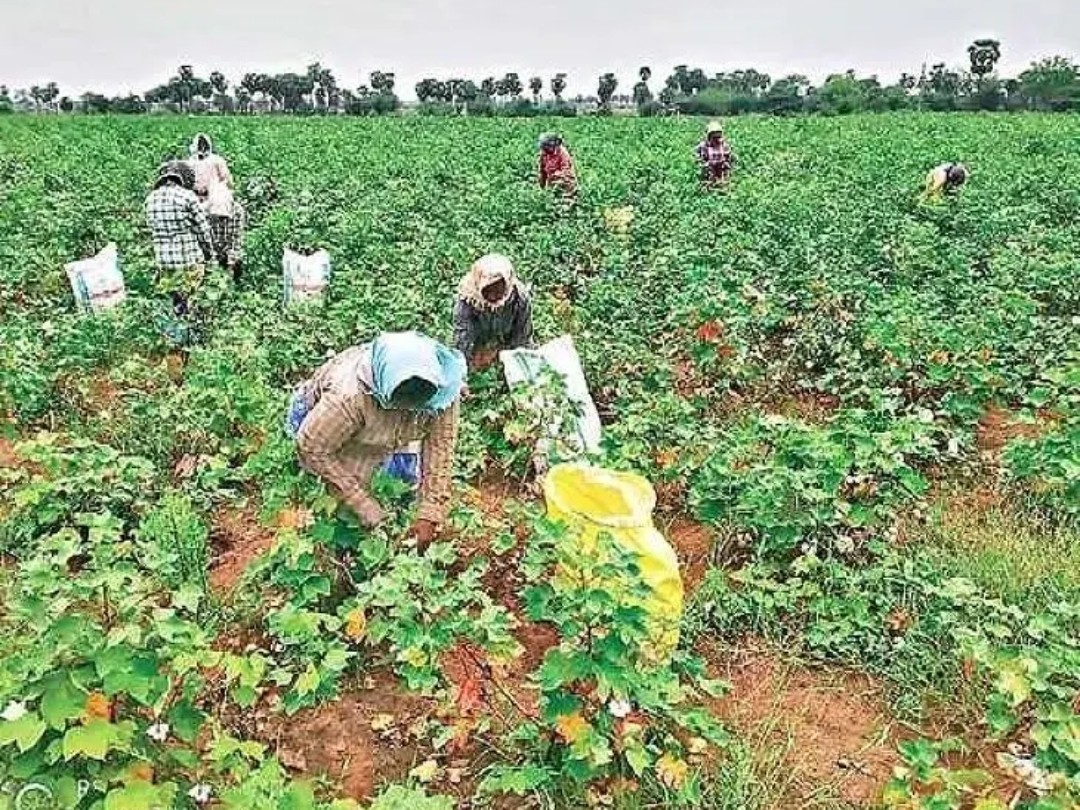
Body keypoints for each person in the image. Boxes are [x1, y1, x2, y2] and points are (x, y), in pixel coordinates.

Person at [288, 332, 466, 551]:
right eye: (402, 405)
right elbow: (313, 449)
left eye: (416, 407)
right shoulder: (348, 397)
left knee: (400, 487)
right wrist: (365, 505)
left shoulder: (442, 387)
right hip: (325, 431)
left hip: (382, 431)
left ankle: (392, 535)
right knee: (337, 506)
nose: (409, 412)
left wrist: (429, 511)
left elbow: (440, 446)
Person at [145, 160, 213, 324]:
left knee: (172, 300)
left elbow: (151, 229)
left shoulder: (150, 199)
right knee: (192, 299)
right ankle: (192, 333)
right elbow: (203, 230)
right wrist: (209, 253)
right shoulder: (187, 197)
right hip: (189, 261)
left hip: (164, 262)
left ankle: (173, 334)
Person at [453, 254, 535, 372]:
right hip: (478, 342)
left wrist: (512, 363)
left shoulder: (519, 298)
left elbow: (522, 337)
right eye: (488, 290)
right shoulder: (467, 298)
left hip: (506, 341)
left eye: (498, 290)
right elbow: (462, 339)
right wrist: (462, 374)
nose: (492, 296)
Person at [188, 133, 246, 281]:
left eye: (204, 146)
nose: (202, 150)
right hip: (201, 200)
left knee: (227, 239)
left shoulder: (217, 161)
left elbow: (227, 180)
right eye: (199, 147)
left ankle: (230, 274)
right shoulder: (191, 162)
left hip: (217, 196)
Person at [696, 121, 735, 186]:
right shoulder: (703, 146)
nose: (717, 140)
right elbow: (697, 157)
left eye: (718, 137)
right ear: (709, 136)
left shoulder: (724, 145)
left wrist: (728, 162)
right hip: (709, 169)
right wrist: (702, 164)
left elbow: (730, 157)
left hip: (721, 168)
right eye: (714, 137)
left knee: (724, 181)